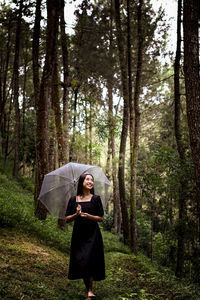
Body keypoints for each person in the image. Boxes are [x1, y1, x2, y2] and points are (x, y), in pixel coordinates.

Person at [65, 173, 105, 299]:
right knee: (82, 261)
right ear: (81, 182)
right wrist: (76, 214)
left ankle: (90, 290)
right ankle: (87, 287)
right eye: (87, 179)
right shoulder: (73, 200)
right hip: (79, 235)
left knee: (90, 260)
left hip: (93, 234)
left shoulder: (96, 199)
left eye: (92, 180)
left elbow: (101, 218)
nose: (90, 182)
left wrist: (88, 216)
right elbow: (67, 219)